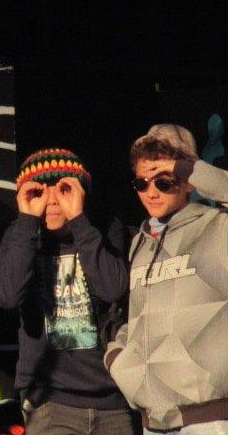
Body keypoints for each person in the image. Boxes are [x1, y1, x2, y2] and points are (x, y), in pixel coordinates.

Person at [0, 148, 134, 435]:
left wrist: (79, 221)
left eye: (63, 189)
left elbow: (112, 289)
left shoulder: (104, 229)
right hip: (50, 401)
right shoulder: (19, 235)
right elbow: (7, 296)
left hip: (112, 399)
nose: (52, 200)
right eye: (39, 192)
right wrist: (27, 222)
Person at [104, 124, 228, 434]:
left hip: (208, 420)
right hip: (153, 423)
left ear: (187, 181)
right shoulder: (139, 242)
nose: (152, 192)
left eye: (164, 181)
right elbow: (136, 318)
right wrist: (117, 359)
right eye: (142, 183)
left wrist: (185, 167)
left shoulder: (218, 227)